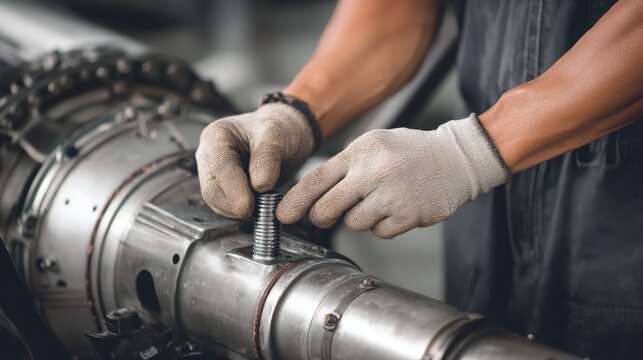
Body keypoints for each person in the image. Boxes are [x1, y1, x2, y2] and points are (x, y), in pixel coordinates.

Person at [195, 1, 643, 358]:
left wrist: (471, 151)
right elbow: (396, 9)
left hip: (620, 223)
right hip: (489, 216)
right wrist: (296, 112)